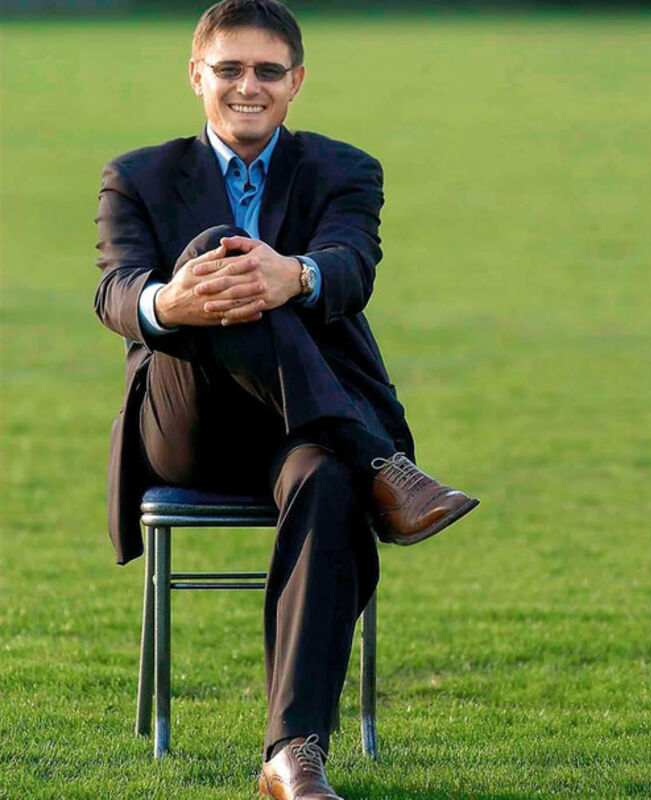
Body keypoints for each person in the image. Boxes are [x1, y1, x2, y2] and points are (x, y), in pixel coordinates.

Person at [93, 2, 479, 797]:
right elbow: (115, 289)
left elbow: (351, 265)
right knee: (216, 251)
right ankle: (383, 465)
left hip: (301, 436)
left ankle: (293, 754)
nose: (249, 86)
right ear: (196, 75)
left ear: (296, 81)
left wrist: (296, 275)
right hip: (189, 423)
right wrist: (171, 301)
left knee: (327, 480)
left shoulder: (344, 168)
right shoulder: (137, 175)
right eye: (229, 69)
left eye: (268, 71)